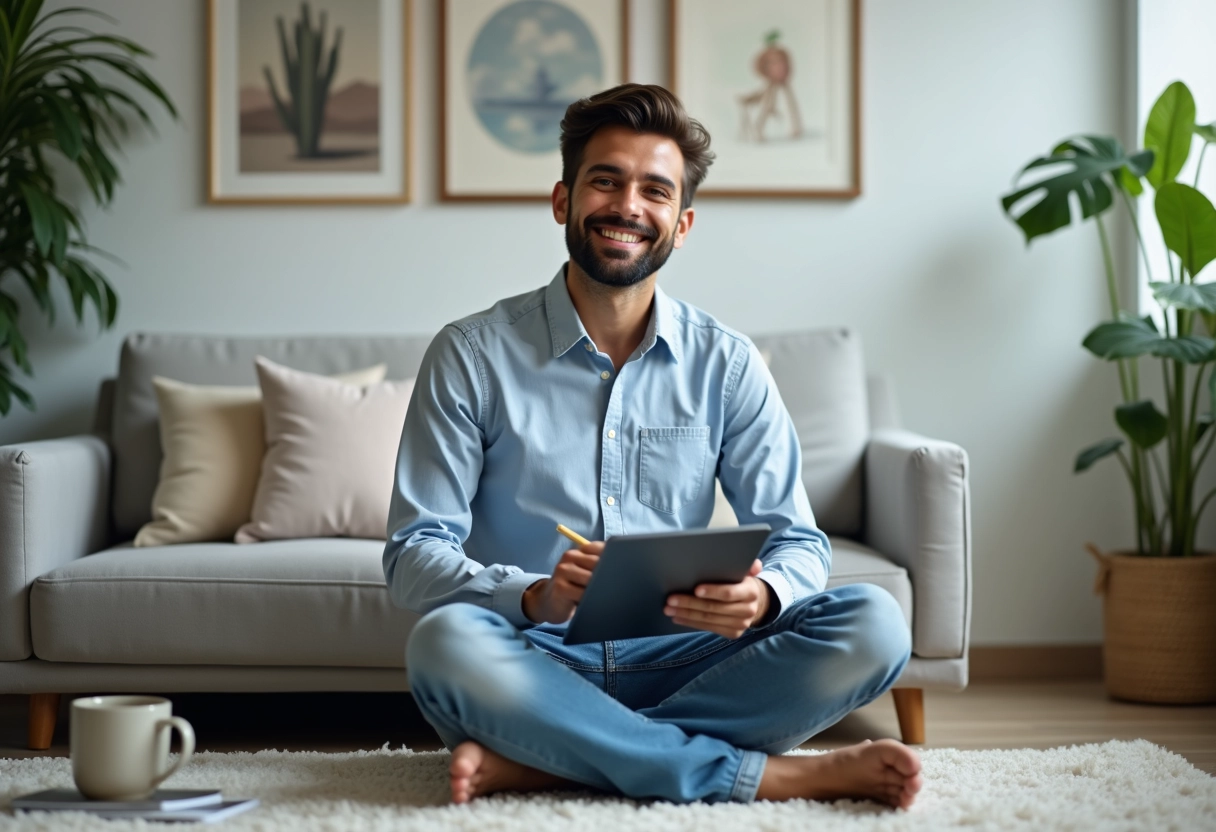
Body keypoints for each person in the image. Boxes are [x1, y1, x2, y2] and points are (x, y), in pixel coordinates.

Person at [382, 83, 921, 809]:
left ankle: (556, 759)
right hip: (535, 657)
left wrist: (761, 598)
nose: (627, 206)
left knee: (875, 623)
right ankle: (762, 777)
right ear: (562, 200)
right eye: (605, 180)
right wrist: (536, 595)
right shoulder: (470, 355)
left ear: (682, 222)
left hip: (689, 659)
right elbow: (414, 556)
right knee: (443, 645)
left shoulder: (728, 364)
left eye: (654, 190)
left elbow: (801, 543)